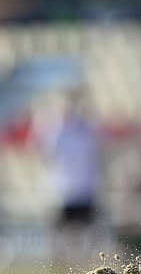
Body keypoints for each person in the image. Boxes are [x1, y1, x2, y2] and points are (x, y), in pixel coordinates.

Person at [34, 89, 103, 261]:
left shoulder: (86, 130)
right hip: (64, 188)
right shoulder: (57, 132)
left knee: (88, 227)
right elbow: (44, 152)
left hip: (85, 187)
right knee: (60, 228)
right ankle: (59, 260)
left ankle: (87, 259)